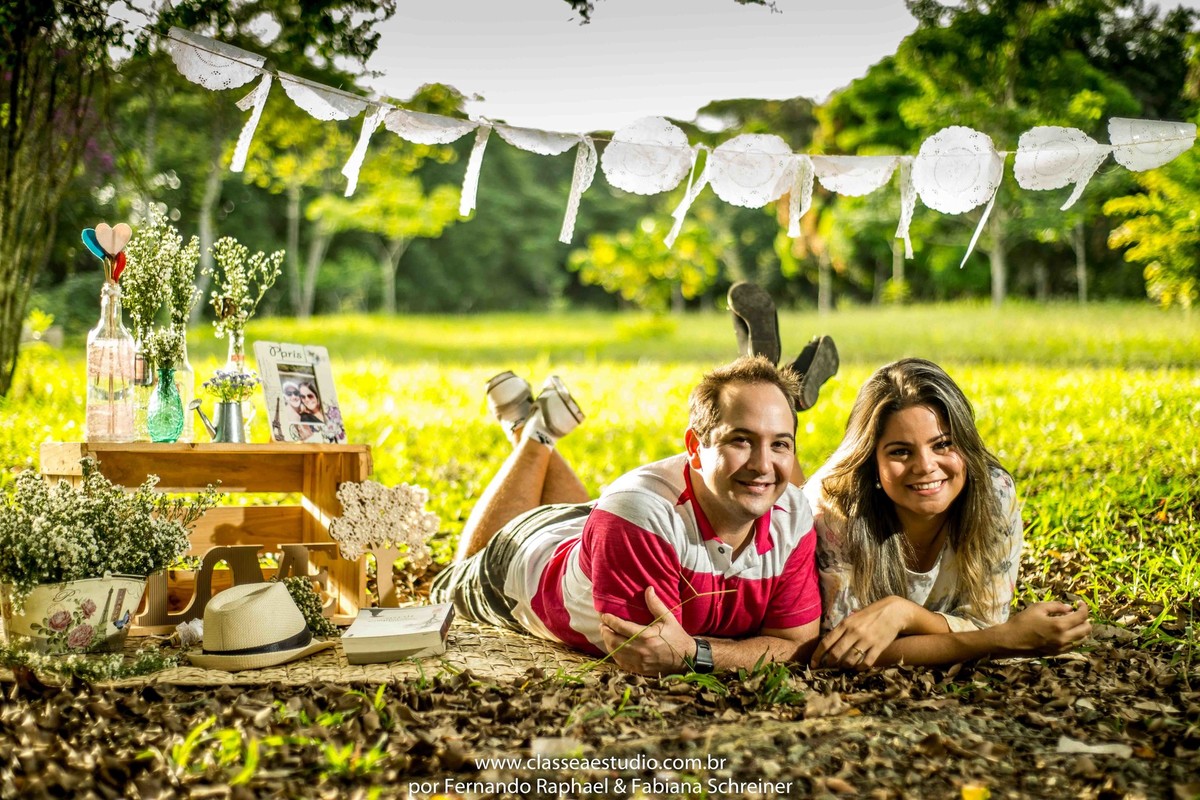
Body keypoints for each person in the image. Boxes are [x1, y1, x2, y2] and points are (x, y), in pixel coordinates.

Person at [430, 358, 822, 675]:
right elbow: (652, 658)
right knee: (447, 581)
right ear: (695, 447)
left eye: (780, 444)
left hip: (598, 530)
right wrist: (706, 653)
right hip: (525, 564)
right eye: (741, 440)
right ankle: (534, 434)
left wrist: (694, 651)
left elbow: (794, 645)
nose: (763, 464)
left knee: (596, 518)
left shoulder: (792, 512)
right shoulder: (635, 517)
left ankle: (533, 426)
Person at [803, 358, 1091, 669]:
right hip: (791, 518)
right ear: (872, 461)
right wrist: (1005, 640)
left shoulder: (993, 493)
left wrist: (903, 614)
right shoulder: (834, 508)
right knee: (783, 493)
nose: (925, 466)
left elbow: (982, 621)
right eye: (900, 451)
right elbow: (841, 650)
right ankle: (787, 397)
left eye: (942, 445)